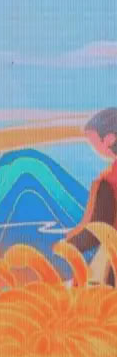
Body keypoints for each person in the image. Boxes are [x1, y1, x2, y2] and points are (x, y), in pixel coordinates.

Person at [65, 108, 117, 285]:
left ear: (109, 139)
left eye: (93, 142)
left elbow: (97, 229)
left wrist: (68, 244)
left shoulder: (109, 182)